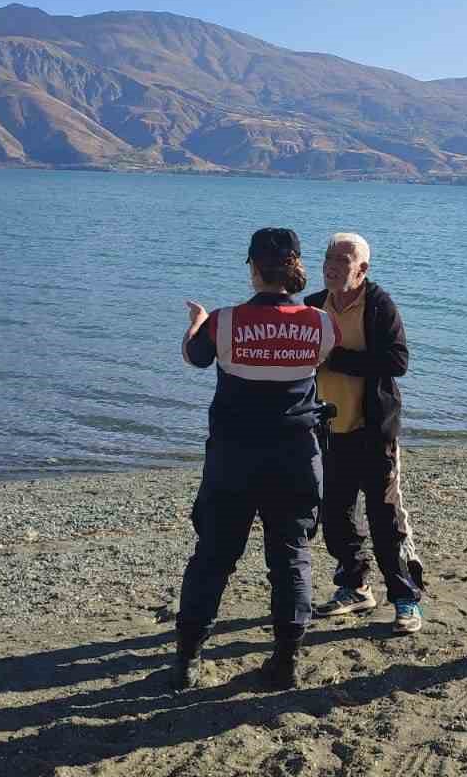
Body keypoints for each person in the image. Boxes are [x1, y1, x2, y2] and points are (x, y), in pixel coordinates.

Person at [173, 228, 340, 691]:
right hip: (296, 455)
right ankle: (286, 660)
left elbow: (194, 356)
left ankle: (187, 660)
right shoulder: (322, 323)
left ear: (252, 268)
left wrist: (198, 320)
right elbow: (318, 360)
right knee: (290, 556)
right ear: (295, 267)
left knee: (213, 556)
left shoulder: (224, 322)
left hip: (234, 458)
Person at [304, 232, 427, 633]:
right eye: (328, 257)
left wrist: (334, 358)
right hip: (328, 430)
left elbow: (397, 360)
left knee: (384, 518)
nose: (332, 264)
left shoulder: (378, 304)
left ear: (362, 268)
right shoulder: (311, 307)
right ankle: (355, 587)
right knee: (336, 518)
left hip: (373, 430)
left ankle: (406, 598)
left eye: (343, 258)